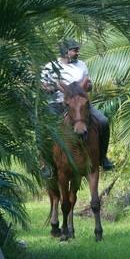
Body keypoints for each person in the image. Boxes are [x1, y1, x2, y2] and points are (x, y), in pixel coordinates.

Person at [40, 39, 113, 171]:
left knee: (103, 121)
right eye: (75, 50)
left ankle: (102, 157)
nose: (78, 52)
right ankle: (46, 163)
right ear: (66, 52)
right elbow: (42, 86)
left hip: (79, 104)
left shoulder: (82, 65)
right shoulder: (50, 67)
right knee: (44, 128)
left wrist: (88, 86)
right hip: (57, 104)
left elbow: (89, 84)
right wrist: (52, 88)